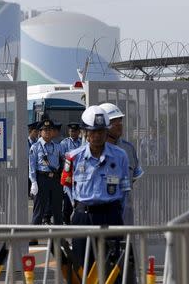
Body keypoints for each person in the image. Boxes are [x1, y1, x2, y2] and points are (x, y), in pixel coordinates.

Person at [61, 106, 130, 276]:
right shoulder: (73, 157)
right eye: (93, 131)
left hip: (110, 215)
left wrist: (116, 212)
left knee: (112, 268)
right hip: (83, 217)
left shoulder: (120, 156)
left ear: (106, 132)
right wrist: (77, 207)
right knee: (82, 267)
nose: (97, 135)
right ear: (85, 132)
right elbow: (67, 186)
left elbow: (125, 190)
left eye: (101, 131)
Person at [100, 102, 143, 283]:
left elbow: (134, 175)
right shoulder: (93, 149)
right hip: (101, 212)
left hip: (125, 210)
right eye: (114, 121)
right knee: (101, 255)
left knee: (125, 253)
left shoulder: (128, 148)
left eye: (120, 121)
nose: (119, 125)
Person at [29, 118, 63, 229]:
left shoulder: (58, 146)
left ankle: (59, 238)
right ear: (40, 132)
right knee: (39, 209)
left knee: (57, 209)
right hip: (42, 179)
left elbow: (63, 160)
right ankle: (33, 235)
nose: (47, 132)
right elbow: (32, 166)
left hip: (55, 179)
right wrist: (34, 182)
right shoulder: (35, 147)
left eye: (50, 130)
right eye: (45, 130)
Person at [59, 122, 82, 224]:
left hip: (80, 173)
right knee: (67, 200)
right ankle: (66, 221)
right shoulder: (64, 143)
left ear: (78, 132)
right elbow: (62, 156)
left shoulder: (82, 143)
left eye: (75, 131)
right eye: (71, 131)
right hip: (68, 173)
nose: (73, 133)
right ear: (69, 132)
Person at [27, 122, 39, 198]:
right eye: (35, 131)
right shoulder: (25, 143)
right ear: (30, 132)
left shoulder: (38, 143)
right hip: (27, 167)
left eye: (37, 131)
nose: (37, 133)